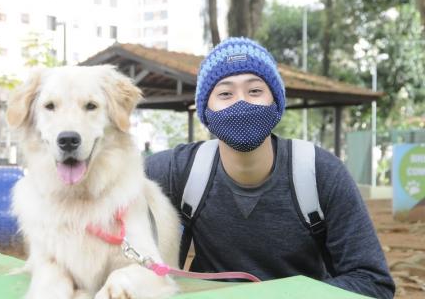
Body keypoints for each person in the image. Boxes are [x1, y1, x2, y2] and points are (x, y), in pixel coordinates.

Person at [144, 37, 395, 298]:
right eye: (225, 93)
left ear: (276, 102)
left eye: (255, 91)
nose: (241, 104)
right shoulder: (177, 171)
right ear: (205, 110)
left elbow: (373, 283)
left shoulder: (320, 172)